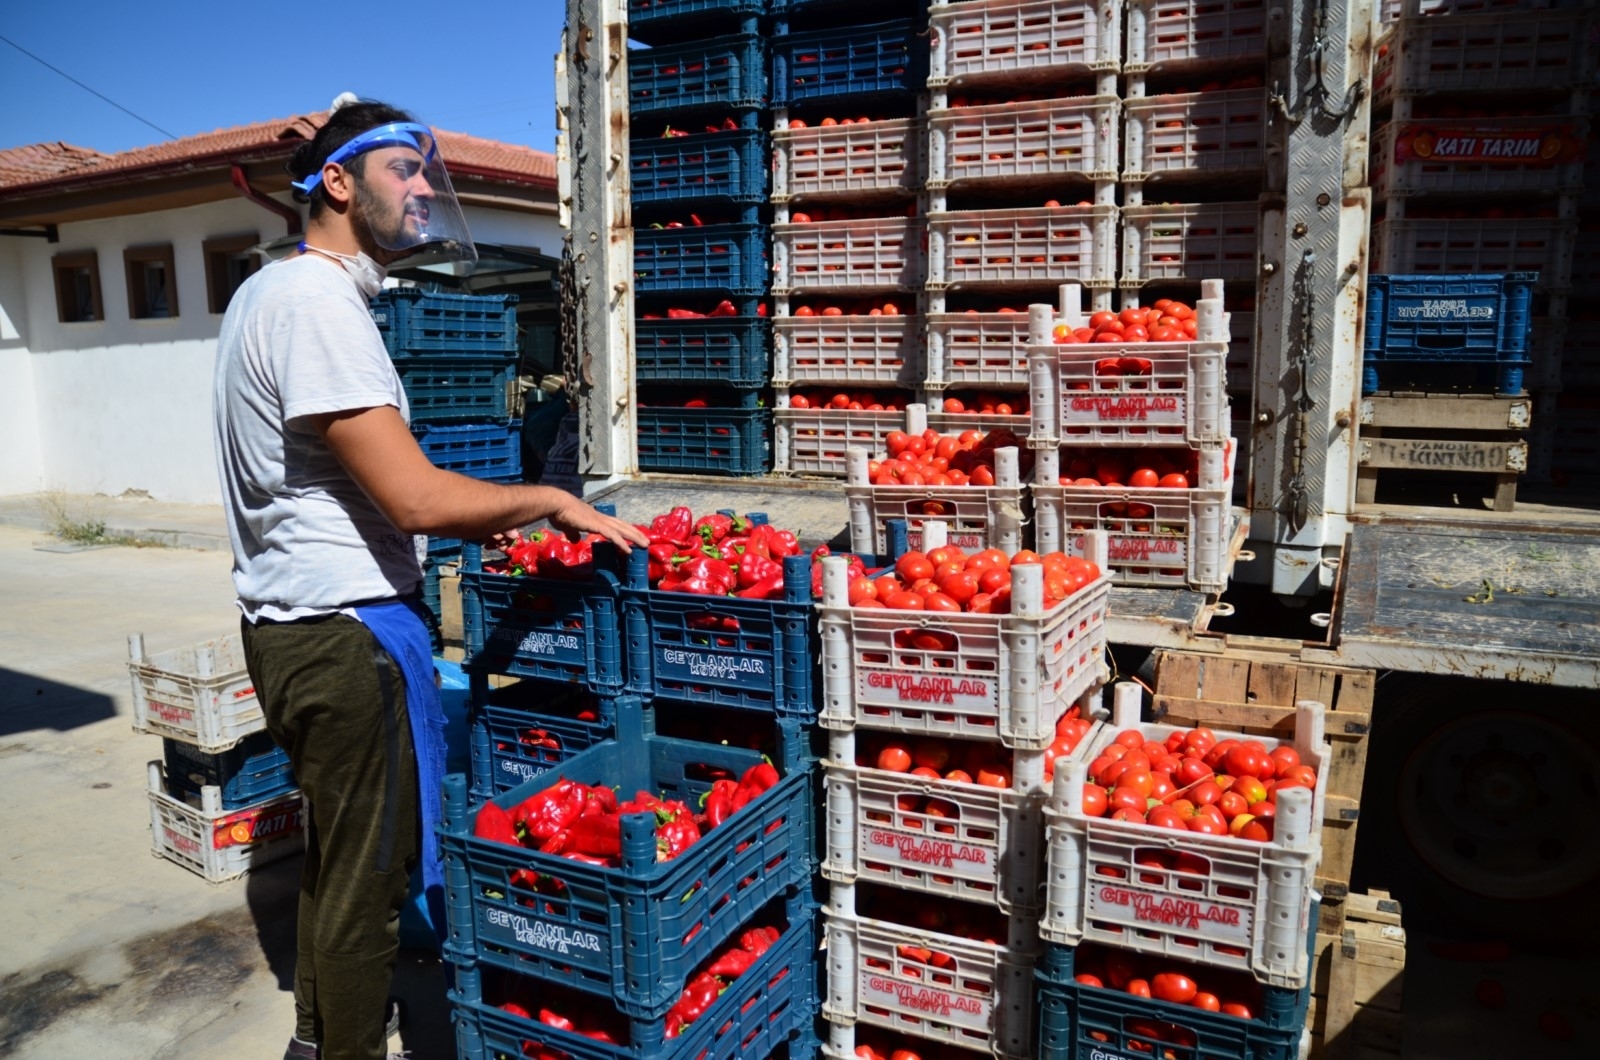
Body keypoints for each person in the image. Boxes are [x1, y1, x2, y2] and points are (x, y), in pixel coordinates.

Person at [212, 95, 647, 1060]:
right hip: (342, 630)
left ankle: (325, 1038)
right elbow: (412, 498)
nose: (420, 190)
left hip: (299, 621)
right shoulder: (317, 305)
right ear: (337, 183)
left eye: (422, 170)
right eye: (399, 170)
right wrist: (546, 500)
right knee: (369, 875)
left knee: (341, 856)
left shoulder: (268, 292)